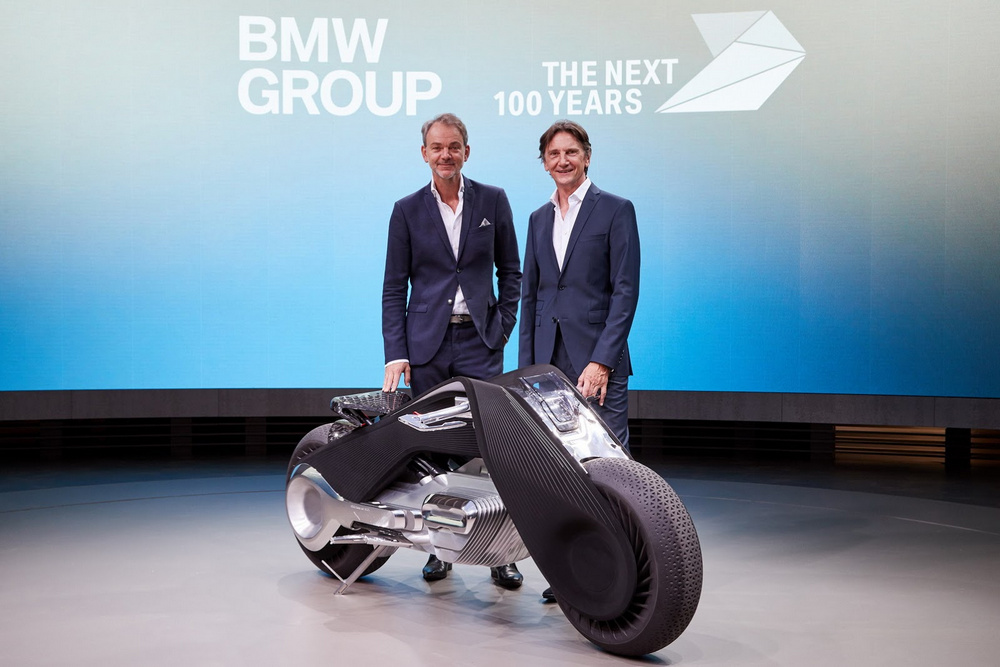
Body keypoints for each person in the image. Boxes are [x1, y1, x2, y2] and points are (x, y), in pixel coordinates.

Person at [381, 113, 523, 589]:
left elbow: (511, 272)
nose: (446, 154)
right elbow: (393, 287)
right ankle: (439, 549)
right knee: (434, 449)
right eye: (437, 147)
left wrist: (501, 329)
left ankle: (501, 554)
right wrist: (396, 351)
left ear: (467, 151)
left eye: (454, 146)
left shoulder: (493, 200)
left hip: (480, 342)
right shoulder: (405, 210)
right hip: (427, 346)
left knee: (490, 448)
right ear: (424, 153)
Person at [520, 120, 640, 601]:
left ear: (587, 156)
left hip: (596, 364)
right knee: (560, 471)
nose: (562, 161)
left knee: (610, 469)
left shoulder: (616, 209)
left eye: (571, 152)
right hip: (547, 366)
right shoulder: (537, 219)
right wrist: (526, 371)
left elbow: (625, 292)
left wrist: (602, 361)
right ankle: (572, 574)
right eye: (553, 154)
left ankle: (623, 575)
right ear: (544, 162)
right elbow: (531, 298)